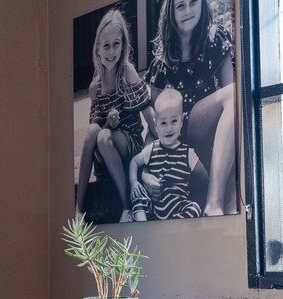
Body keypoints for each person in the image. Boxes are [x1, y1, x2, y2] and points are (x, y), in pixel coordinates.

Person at [144, 0, 236, 216]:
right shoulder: (160, 64)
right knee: (233, 94)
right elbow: (154, 128)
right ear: (171, 13)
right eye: (180, 6)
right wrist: (145, 172)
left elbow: (233, 103)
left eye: (193, 3)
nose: (188, 11)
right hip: (179, 138)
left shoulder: (215, 40)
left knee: (234, 95)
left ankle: (220, 205)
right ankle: (214, 203)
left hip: (212, 133)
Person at [76, 9, 151, 223]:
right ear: (97, 50)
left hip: (130, 144)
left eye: (116, 44)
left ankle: (126, 208)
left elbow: (147, 112)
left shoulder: (127, 72)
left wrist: (159, 147)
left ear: (123, 45)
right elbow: (98, 129)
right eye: (106, 45)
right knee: (94, 131)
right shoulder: (94, 88)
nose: (111, 51)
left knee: (102, 136)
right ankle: (78, 210)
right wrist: (108, 122)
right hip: (107, 149)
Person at [129, 88, 206, 221]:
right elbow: (134, 162)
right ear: (156, 125)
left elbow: (204, 177)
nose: (169, 128)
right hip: (154, 206)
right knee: (138, 196)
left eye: (174, 121)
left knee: (194, 208)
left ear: (181, 121)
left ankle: (174, 227)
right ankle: (143, 225)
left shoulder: (187, 153)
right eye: (163, 123)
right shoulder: (152, 149)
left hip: (178, 207)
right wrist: (133, 182)